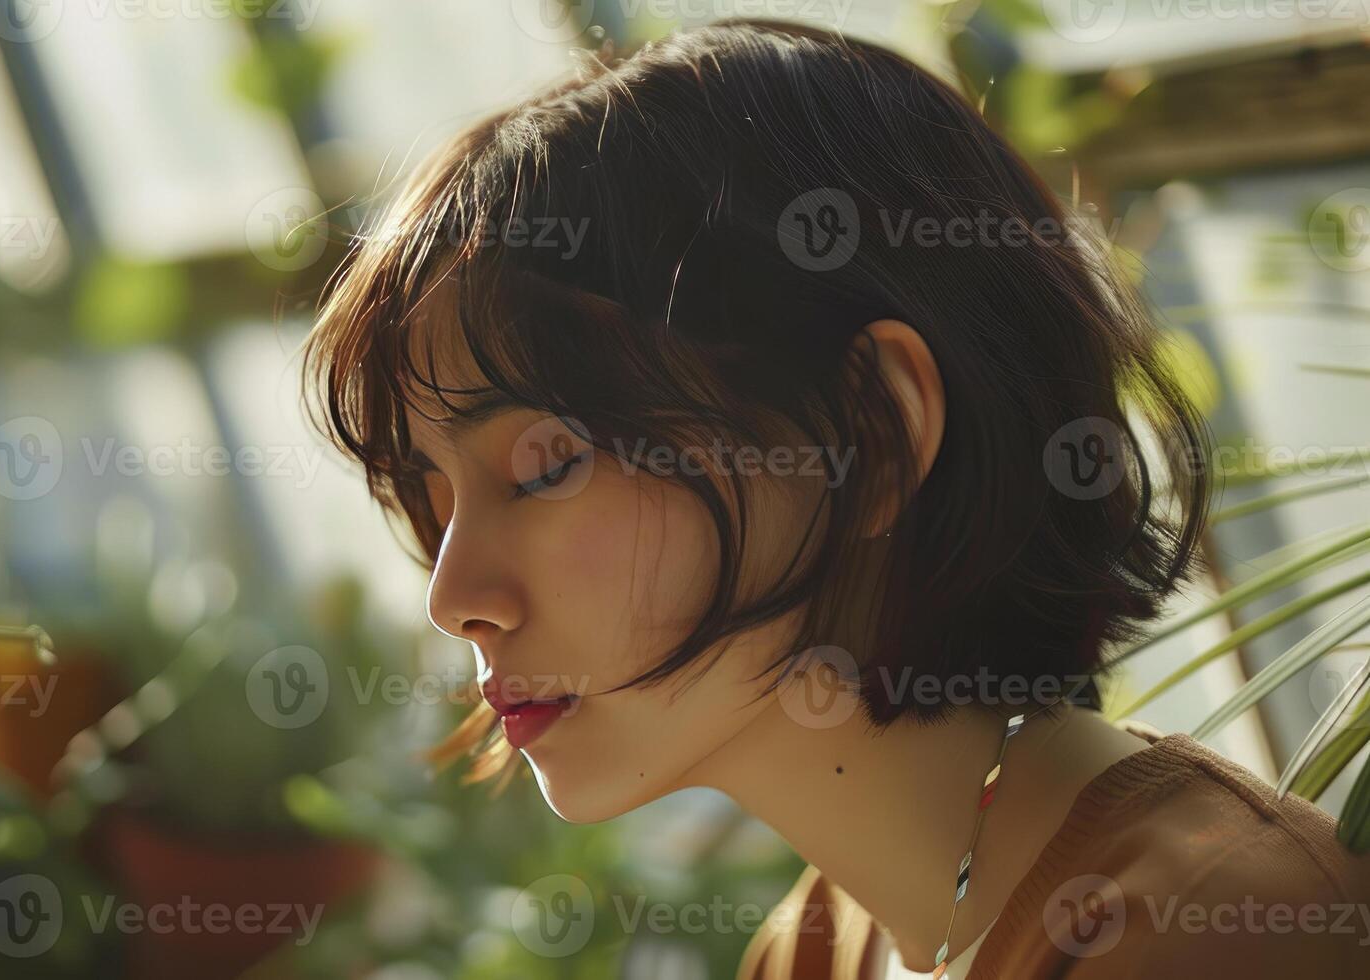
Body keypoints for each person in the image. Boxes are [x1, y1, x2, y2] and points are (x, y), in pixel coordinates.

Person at [299, 19, 1370, 979]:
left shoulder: (1210, 933)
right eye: (430, 489)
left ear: (872, 435)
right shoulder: (825, 941)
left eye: (543, 464)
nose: (453, 595)